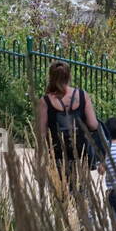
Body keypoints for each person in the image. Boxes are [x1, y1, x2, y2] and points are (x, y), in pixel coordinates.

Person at [35, 61, 104, 189]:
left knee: (60, 195)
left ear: (51, 77)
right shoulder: (83, 95)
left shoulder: (45, 101)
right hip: (80, 155)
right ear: (69, 76)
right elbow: (93, 125)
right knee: (81, 194)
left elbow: (41, 133)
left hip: (57, 156)